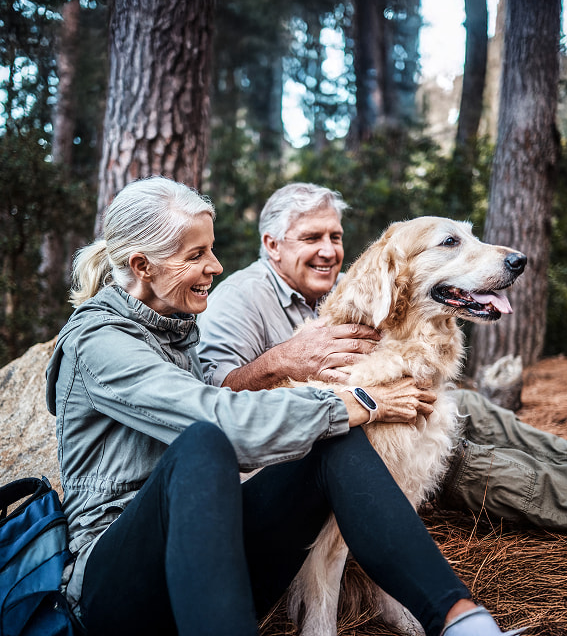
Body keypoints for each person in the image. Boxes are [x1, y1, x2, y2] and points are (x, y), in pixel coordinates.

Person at [44, 176, 524, 636]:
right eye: (197, 255)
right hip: (117, 590)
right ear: (144, 266)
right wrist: (358, 400)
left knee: (334, 440)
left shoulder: (177, 329)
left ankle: (462, 621)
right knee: (203, 444)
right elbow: (219, 423)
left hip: (209, 559)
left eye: (211, 250)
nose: (216, 266)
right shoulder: (98, 341)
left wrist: (339, 411)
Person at [198, 182, 567, 534]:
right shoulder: (240, 298)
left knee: (478, 410)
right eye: (311, 238)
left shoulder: (352, 284)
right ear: (273, 245)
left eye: (335, 237)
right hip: (340, 435)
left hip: (396, 399)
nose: (328, 251)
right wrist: (281, 360)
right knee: (466, 460)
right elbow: (214, 395)